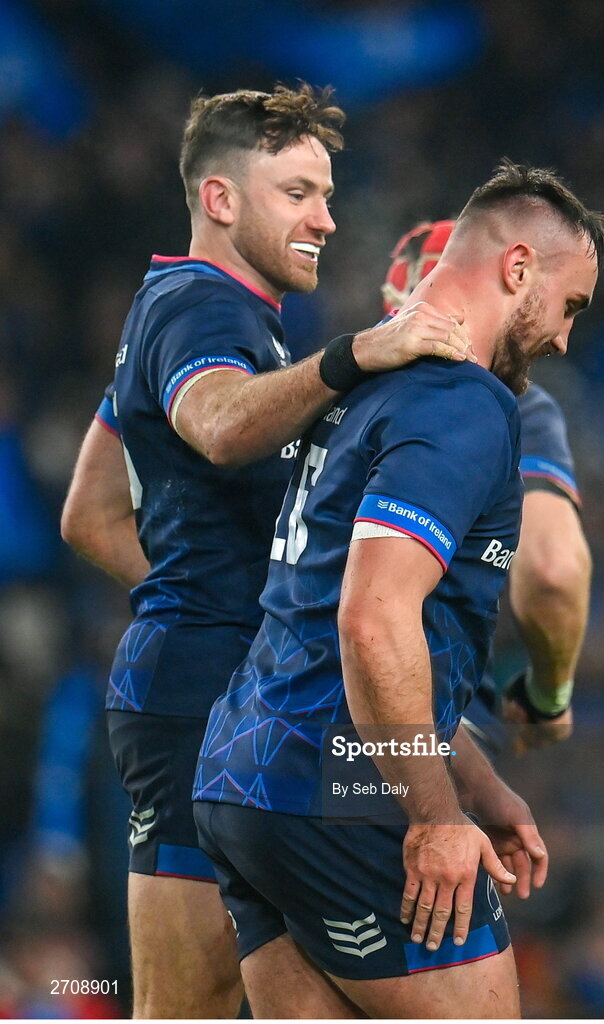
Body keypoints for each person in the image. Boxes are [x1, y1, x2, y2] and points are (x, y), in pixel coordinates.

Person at [60, 84, 472, 1019]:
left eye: (327, 194)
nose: (327, 219)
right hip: (194, 694)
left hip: (232, 684)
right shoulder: (204, 311)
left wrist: (243, 621)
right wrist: (355, 357)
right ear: (220, 200)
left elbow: (89, 513)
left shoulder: (188, 312)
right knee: (186, 1005)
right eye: (298, 193)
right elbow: (212, 426)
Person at [193, 161, 604, 1018]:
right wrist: (433, 813)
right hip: (338, 788)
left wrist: (478, 784)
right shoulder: (463, 401)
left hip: (242, 779)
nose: (565, 340)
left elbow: (340, 627)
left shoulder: (361, 387)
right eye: (570, 307)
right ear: (519, 268)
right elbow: (373, 622)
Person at [382, 220, 593, 755]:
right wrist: (549, 695)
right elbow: (552, 572)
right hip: (423, 737)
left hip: (278, 730)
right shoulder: (513, 406)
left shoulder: (323, 385)